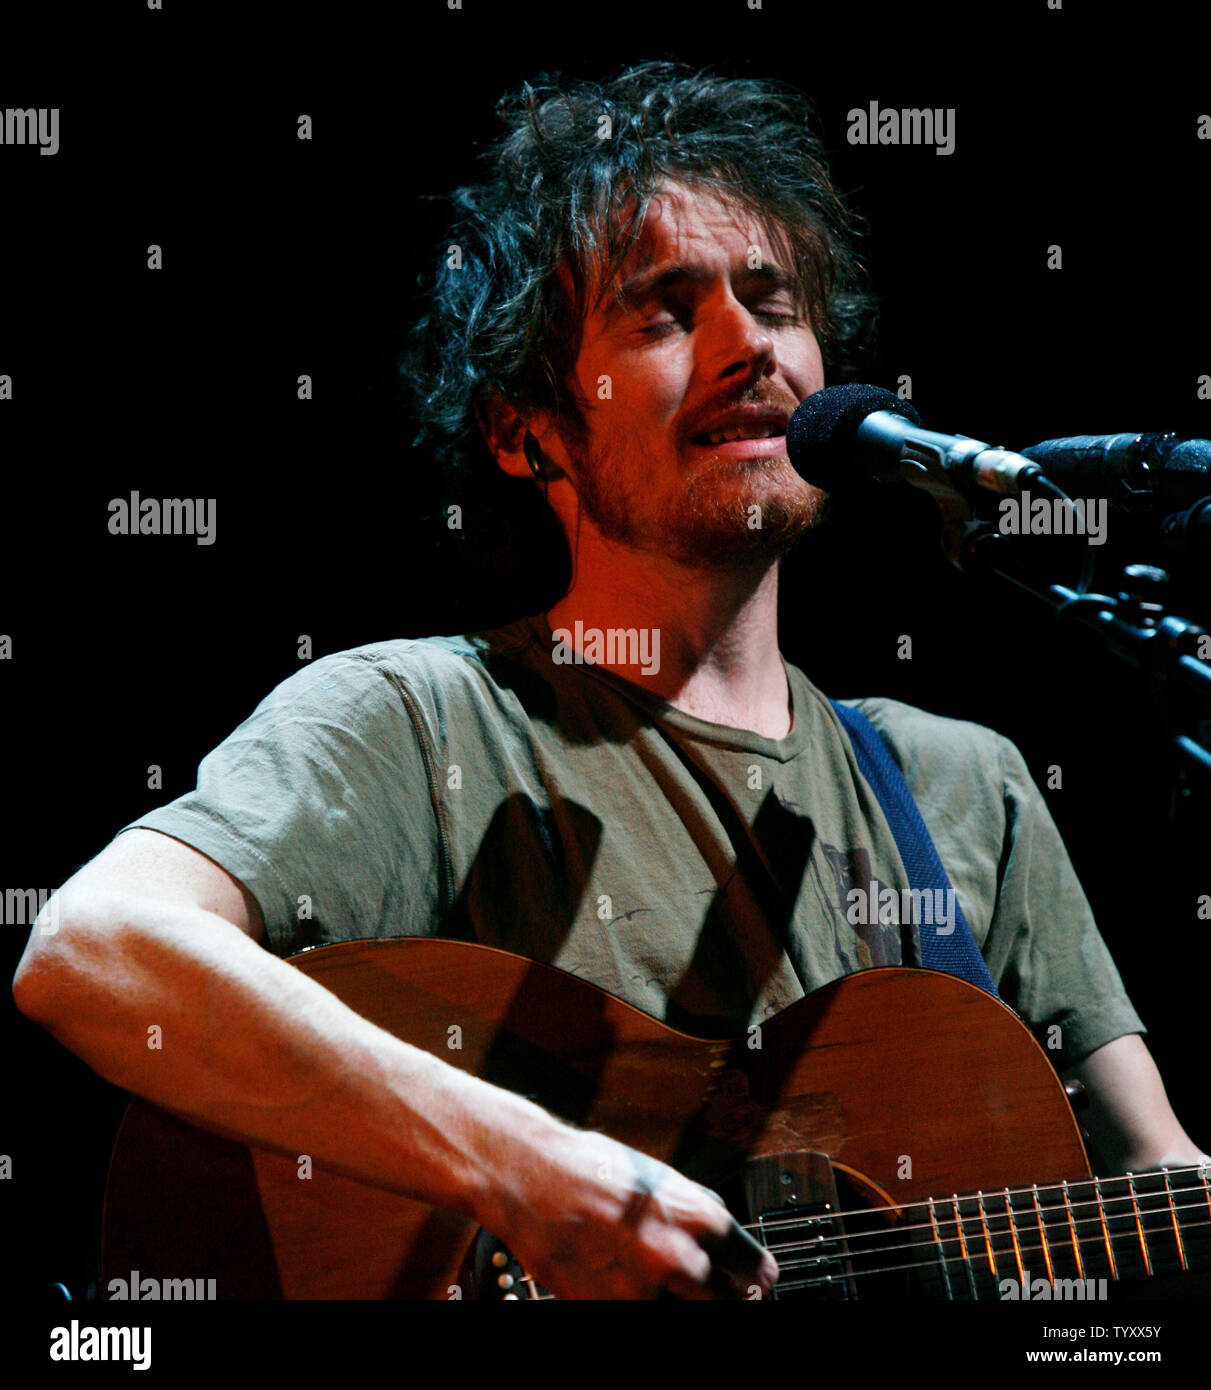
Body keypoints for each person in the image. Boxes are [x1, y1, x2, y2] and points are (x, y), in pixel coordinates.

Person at [12, 62, 1208, 1300]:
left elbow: (1157, 1188)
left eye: (771, 297)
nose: (749, 347)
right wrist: (527, 1171)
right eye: (663, 312)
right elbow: (93, 949)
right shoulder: (418, 723)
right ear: (527, 428)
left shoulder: (967, 786)